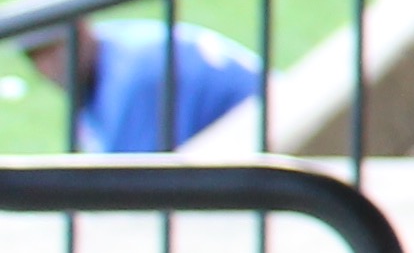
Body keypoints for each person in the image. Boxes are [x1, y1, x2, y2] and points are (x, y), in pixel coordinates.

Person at [31, 15, 265, 154]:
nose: (47, 68)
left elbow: (135, 197)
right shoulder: (105, 60)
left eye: (55, 51)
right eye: (35, 58)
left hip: (273, 140)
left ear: (83, 30)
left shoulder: (133, 78)